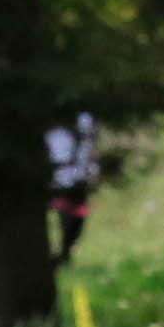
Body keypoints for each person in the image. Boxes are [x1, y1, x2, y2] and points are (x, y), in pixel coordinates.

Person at [44, 111, 102, 269]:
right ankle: (62, 255)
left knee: (77, 221)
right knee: (66, 217)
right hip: (60, 181)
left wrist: (92, 169)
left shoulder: (85, 127)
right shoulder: (55, 133)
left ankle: (64, 252)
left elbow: (90, 152)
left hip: (78, 180)